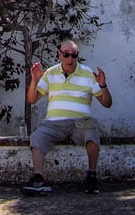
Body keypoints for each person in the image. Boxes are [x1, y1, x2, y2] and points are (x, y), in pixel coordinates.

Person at [22, 38, 112, 195]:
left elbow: (107, 103)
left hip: (80, 123)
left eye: (74, 55)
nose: (70, 59)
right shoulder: (50, 73)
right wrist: (34, 80)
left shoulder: (88, 74)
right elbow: (32, 99)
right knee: (37, 137)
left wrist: (103, 85)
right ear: (59, 55)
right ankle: (38, 178)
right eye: (66, 54)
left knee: (91, 132)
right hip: (54, 122)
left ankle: (92, 176)